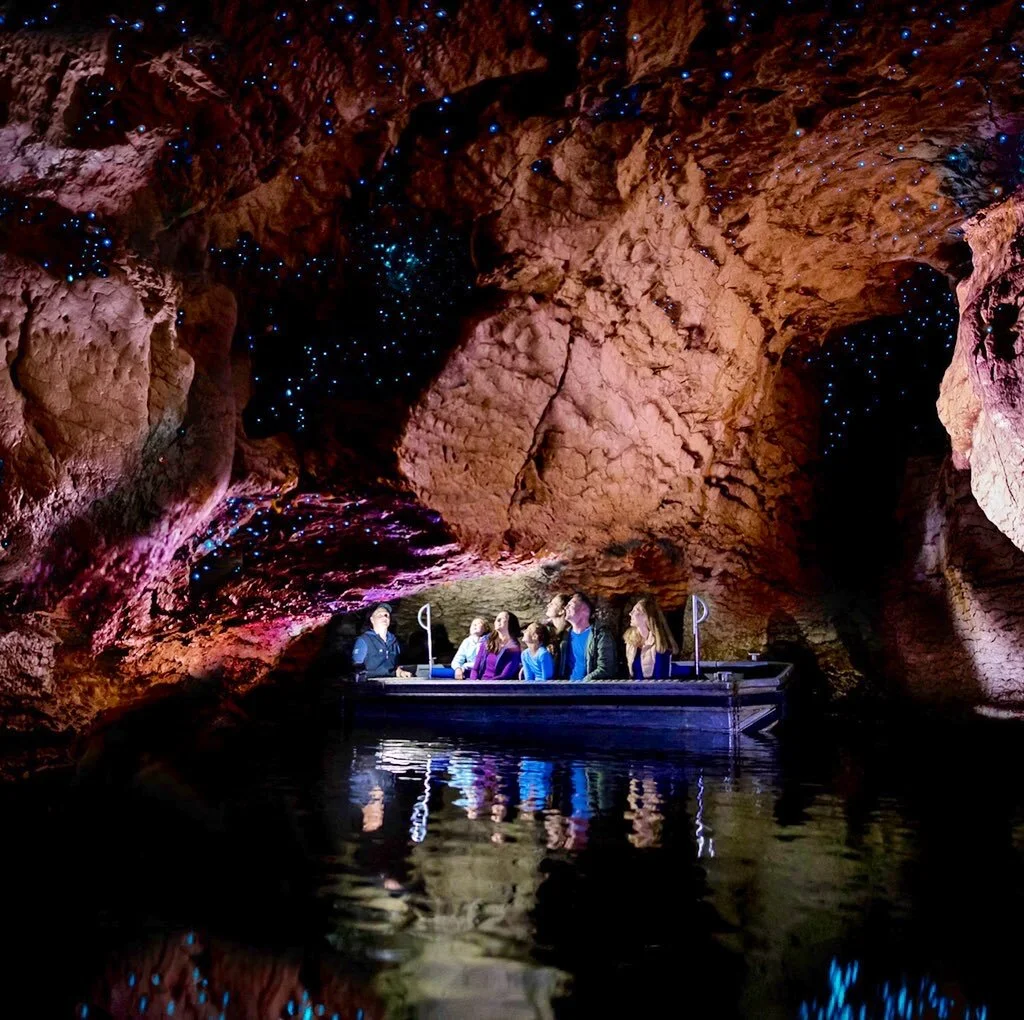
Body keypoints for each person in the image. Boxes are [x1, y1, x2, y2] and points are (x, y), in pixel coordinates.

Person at [557, 592, 617, 681]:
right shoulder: (564, 636)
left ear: (584, 610)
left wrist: (584, 683)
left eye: (571, 605)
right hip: (566, 690)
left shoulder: (600, 635)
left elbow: (605, 668)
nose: (566, 607)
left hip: (589, 691)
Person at [352, 602, 412, 678]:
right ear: (372, 619)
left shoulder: (394, 641)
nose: (384, 617)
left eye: (386, 615)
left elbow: (394, 665)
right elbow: (357, 669)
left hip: (391, 684)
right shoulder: (364, 641)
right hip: (371, 685)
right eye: (380, 615)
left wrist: (400, 672)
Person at [625, 595, 679, 679]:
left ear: (646, 616)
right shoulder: (631, 642)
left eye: (635, 610)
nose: (630, 613)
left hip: (655, 689)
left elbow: (662, 674)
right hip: (635, 690)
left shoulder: (661, 644)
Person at [470, 611, 523, 680]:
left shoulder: (514, 647)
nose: (498, 620)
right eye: (497, 618)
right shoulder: (486, 641)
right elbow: (475, 669)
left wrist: (486, 684)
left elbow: (505, 675)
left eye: (502, 618)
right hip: (481, 683)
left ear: (510, 623)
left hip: (499, 686)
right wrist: (474, 683)